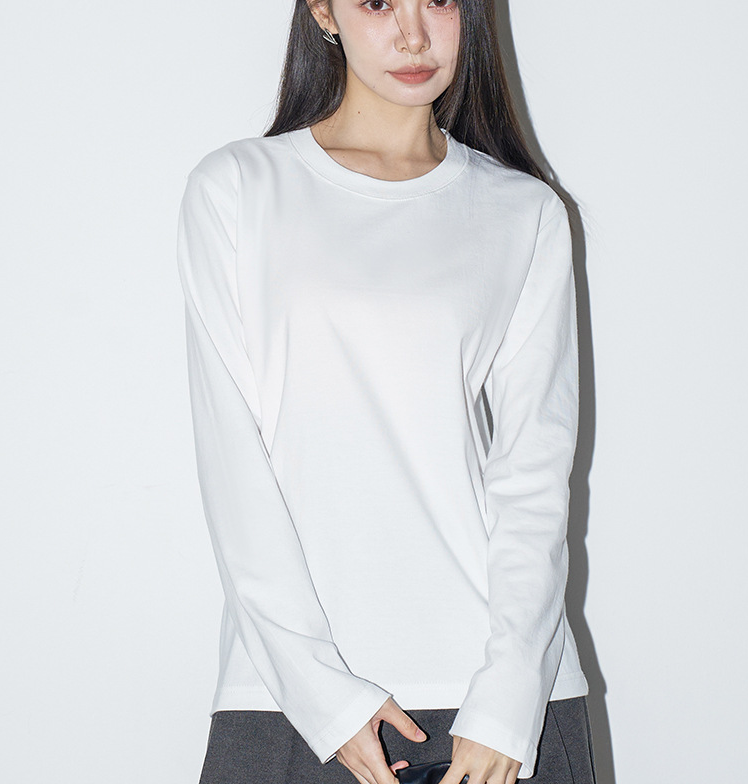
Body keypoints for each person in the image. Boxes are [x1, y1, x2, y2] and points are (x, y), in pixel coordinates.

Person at [176, 1, 596, 783]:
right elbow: (231, 461)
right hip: (294, 703)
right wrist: (321, 694)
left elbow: (535, 474)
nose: (412, 34)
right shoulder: (238, 188)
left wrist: (510, 699)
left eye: (438, 0)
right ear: (323, 10)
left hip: (499, 709)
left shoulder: (525, 212)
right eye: (377, 2)